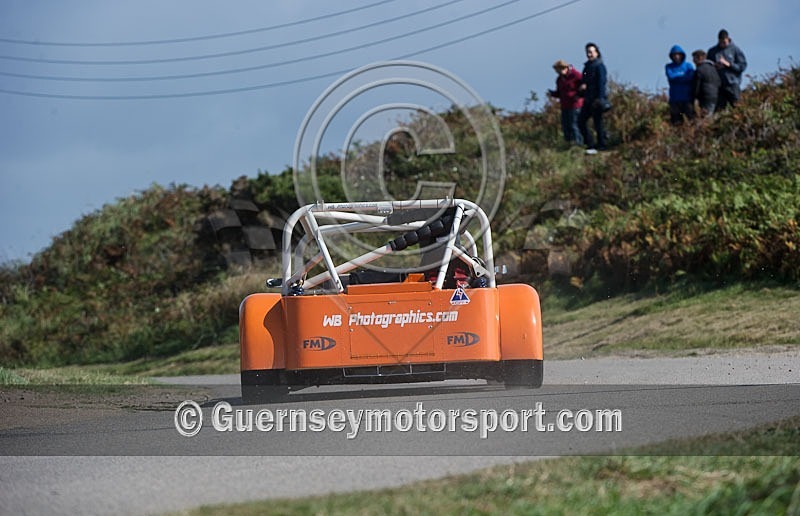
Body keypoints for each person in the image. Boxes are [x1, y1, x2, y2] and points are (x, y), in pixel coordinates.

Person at [578, 42, 608, 154]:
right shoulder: (586, 67)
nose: (589, 54)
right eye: (588, 52)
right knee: (581, 121)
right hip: (587, 98)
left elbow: (602, 83)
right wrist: (582, 88)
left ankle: (602, 144)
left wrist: (600, 98)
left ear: (596, 52)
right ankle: (590, 144)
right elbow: (583, 80)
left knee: (598, 122)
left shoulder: (599, 66)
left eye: (591, 52)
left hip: (596, 99)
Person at [707, 29, 747, 110]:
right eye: (721, 42)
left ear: (728, 39)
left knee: (737, 107)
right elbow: (708, 66)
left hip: (733, 84)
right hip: (719, 85)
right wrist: (715, 66)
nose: (722, 44)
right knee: (719, 109)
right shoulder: (712, 51)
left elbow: (742, 66)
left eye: (724, 42)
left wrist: (729, 64)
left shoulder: (735, 49)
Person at [548, 59, 584, 145]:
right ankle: (569, 144)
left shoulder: (576, 75)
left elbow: (584, 84)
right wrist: (553, 94)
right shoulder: (559, 79)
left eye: (558, 70)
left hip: (575, 105)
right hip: (565, 106)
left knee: (574, 125)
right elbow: (560, 93)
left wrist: (578, 95)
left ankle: (579, 144)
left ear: (564, 68)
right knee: (566, 126)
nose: (557, 72)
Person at [665, 45, 695, 124]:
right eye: (674, 55)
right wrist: (684, 77)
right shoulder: (669, 67)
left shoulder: (688, 66)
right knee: (676, 121)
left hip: (687, 99)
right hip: (675, 100)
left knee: (690, 120)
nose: (676, 56)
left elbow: (691, 77)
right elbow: (671, 77)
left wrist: (677, 78)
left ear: (682, 55)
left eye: (678, 54)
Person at [691, 49, 721, 117]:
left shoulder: (699, 70)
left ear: (699, 58)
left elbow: (697, 86)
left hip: (704, 96)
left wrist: (694, 97)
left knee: (705, 117)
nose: (693, 60)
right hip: (715, 95)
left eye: (694, 58)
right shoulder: (713, 68)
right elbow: (719, 82)